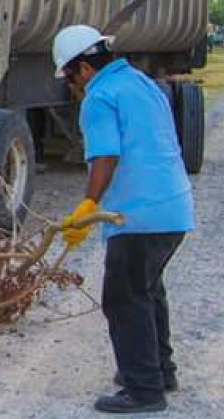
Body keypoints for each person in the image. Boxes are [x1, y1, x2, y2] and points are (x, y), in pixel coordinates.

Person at [52, 25, 195, 414]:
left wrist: (87, 207)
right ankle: (160, 370)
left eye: (69, 76)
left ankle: (145, 390)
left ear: (82, 68)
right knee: (147, 289)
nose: (71, 85)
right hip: (174, 208)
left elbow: (105, 157)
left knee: (124, 298)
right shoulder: (142, 83)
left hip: (137, 214)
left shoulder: (99, 97)